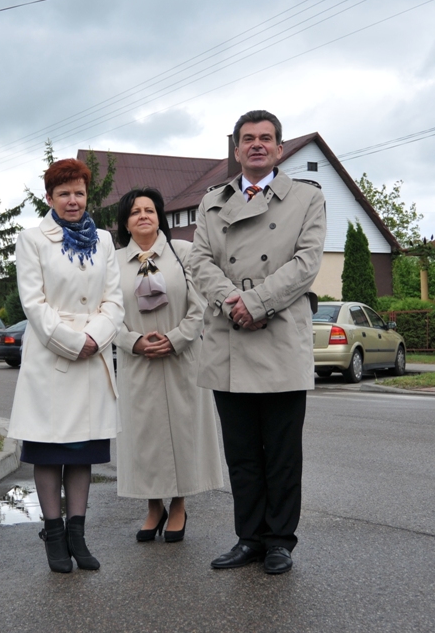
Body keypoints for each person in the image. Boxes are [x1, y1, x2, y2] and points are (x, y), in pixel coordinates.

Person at [189, 109, 326, 575]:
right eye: (248, 139)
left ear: (280, 149)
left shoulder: (307, 198)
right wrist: (233, 303)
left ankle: (280, 542)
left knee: (282, 455)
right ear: (237, 150)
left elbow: (307, 263)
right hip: (229, 338)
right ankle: (248, 538)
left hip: (279, 336)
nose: (257, 145)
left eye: (266, 138)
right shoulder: (211, 202)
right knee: (242, 454)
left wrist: (258, 302)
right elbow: (199, 262)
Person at [7, 158, 124, 573]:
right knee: (49, 451)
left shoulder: (104, 240)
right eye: (64, 194)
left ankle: (78, 535)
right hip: (52, 358)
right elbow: (33, 304)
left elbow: (114, 300)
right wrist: (75, 342)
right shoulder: (32, 239)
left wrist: (96, 337)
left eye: (79, 193)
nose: (73, 200)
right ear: (49, 197)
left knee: (81, 453)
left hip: (93, 357)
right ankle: (54, 535)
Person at [114, 188, 222, 543]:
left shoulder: (184, 252)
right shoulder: (113, 263)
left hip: (181, 358)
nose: (143, 216)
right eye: (135, 212)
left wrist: (176, 338)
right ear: (126, 223)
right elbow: (107, 313)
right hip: (138, 362)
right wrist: (133, 341)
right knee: (145, 438)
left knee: (182, 434)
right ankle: (153, 506)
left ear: (159, 216)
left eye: (149, 210)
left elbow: (200, 305)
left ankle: (178, 505)